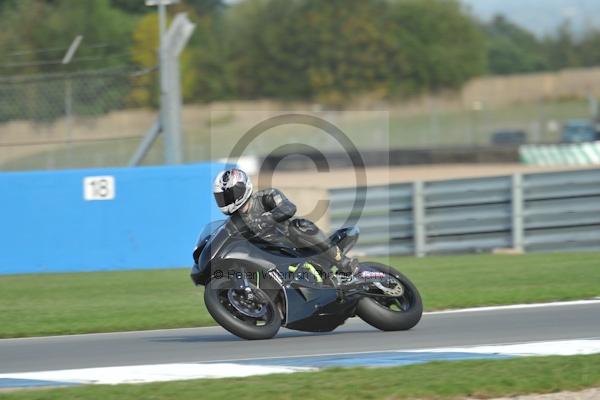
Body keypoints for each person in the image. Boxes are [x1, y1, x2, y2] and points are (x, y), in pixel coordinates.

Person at [212, 168, 358, 276]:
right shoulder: (233, 222)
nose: (225, 199)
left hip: (292, 245)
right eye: (221, 197)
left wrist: (267, 218)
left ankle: (343, 262)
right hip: (268, 256)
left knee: (298, 225)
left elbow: (288, 208)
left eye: (227, 194)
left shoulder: (266, 197)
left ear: (240, 188)